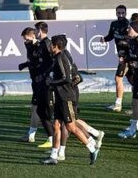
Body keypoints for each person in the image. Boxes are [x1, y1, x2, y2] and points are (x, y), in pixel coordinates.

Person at [42, 35, 100, 165]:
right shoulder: (57, 57)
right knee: (56, 125)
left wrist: (52, 82)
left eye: (51, 44)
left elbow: (66, 78)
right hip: (60, 97)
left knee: (71, 127)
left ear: (55, 46)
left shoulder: (61, 58)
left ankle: (92, 148)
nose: (50, 46)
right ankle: (53, 156)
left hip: (66, 98)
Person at [102, 5, 130, 112]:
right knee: (132, 80)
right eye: (119, 13)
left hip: (128, 57)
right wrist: (104, 39)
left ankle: (118, 104)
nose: (121, 15)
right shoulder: (114, 24)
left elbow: (131, 40)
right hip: (122, 56)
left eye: (123, 13)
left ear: (126, 13)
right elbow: (111, 36)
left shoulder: (128, 24)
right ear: (116, 13)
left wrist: (124, 52)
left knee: (119, 78)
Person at [18, 27, 41, 143]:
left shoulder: (39, 46)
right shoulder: (30, 46)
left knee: (37, 108)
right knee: (34, 108)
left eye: (26, 39)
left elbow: (39, 61)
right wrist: (24, 65)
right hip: (35, 81)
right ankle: (31, 134)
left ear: (32, 37)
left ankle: (53, 137)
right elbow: (32, 61)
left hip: (40, 82)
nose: (24, 41)